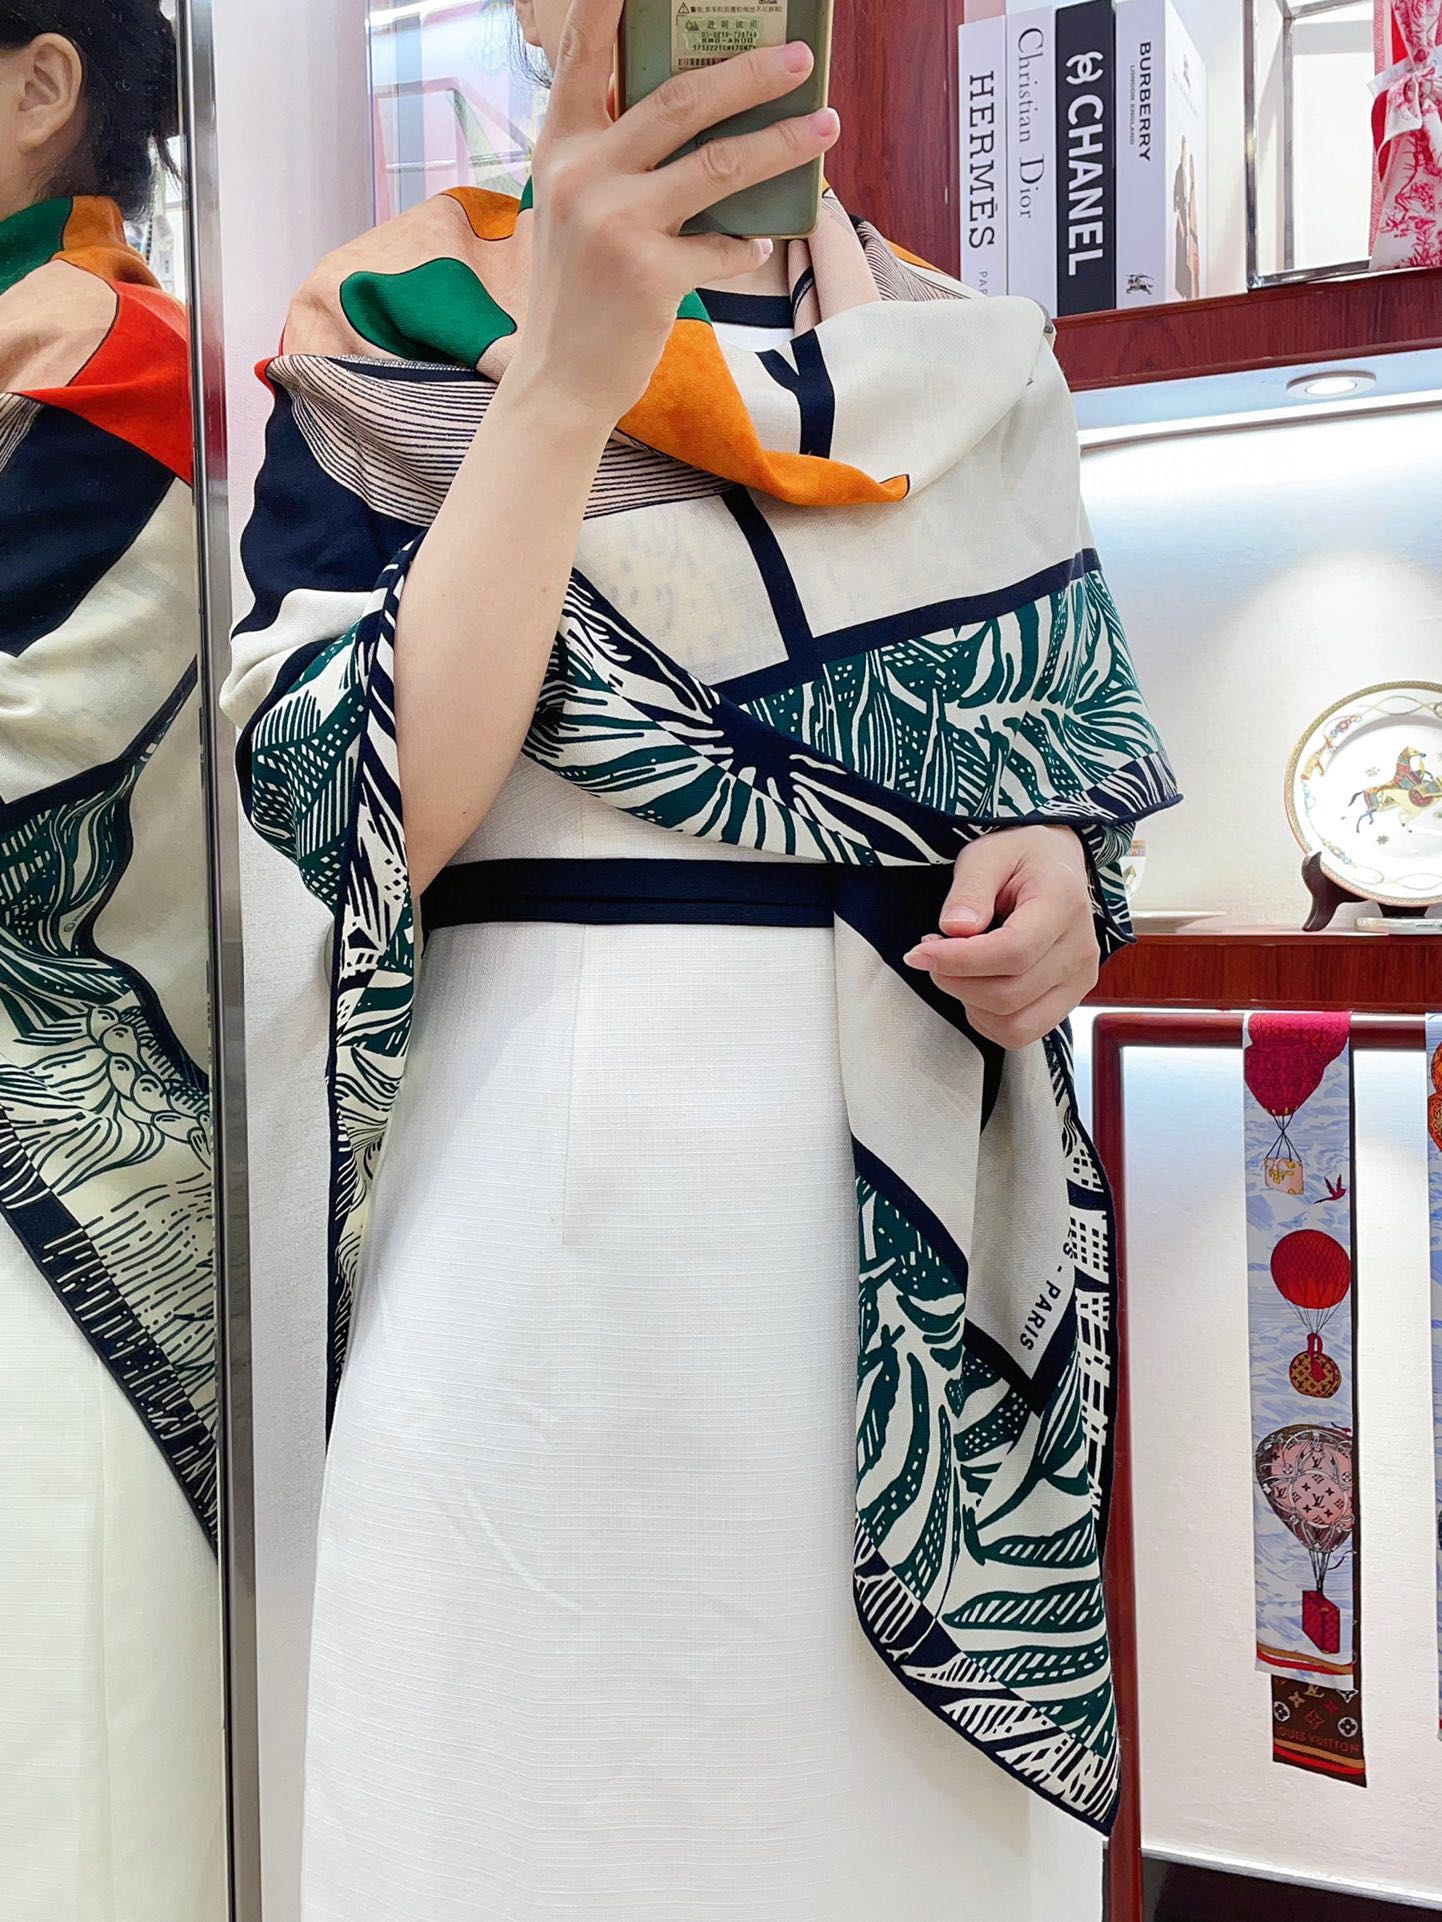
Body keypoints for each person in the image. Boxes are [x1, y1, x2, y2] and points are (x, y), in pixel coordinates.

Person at [224, 0, 1180, 1915]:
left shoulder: (968, 346)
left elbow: (1065, 774)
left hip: (916, 1255)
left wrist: (1065, 892)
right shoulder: (397, 317)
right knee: (526, 1816)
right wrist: (563, 381)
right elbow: (348, 806)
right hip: (539, 1221)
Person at [0, 6, 223, 1918]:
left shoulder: (120, 364)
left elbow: (29, 753)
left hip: (56, 1186)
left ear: (38, 86)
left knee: (67, 1780)